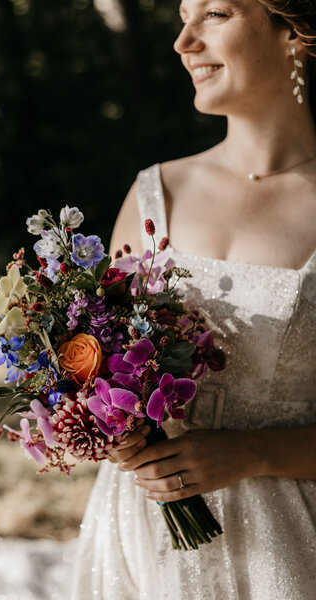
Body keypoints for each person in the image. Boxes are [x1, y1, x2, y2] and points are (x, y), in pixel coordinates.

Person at [71, 1, 316, 598]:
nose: (183, 41)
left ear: (294, 31)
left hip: (287, 544)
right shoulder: (158, 191)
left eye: (214, 13)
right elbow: (100, 358)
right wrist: (108, 426)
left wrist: (253, 452)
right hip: (142, 528)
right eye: (182, 16)